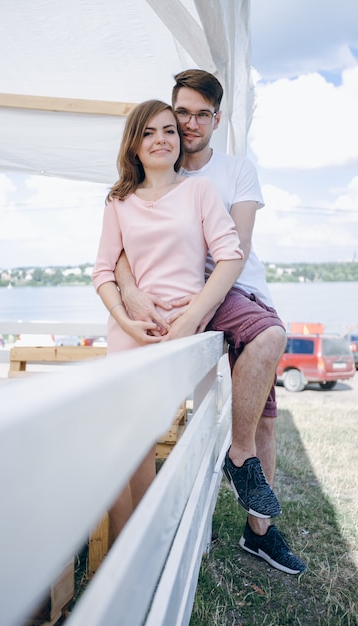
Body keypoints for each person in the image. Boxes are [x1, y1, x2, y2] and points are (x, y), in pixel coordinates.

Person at [114, 70, 306, 574]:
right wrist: (131, 291)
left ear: (217, 120)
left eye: (202, 115)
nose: (189, 124)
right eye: (183, 114)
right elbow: (121, 242)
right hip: (175, 297)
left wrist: (197, 311)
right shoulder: (153, 170)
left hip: (232, 292)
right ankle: (212, 489)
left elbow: (233, 252)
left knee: (264, 417)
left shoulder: (236, 171)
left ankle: (258, 528)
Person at [92, 99, 244, 541]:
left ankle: (154, 538)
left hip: (183, 336)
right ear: (134, 146)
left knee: (159, 436)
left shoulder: (199, 192)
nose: (161, 139)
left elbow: (230, 255)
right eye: (149, 132)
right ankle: (129, 544)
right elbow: (103, 270)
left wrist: (193, 317)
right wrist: (124, 315)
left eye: (169, 131)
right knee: (125, 447)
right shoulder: (119, 201)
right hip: (129, 335)